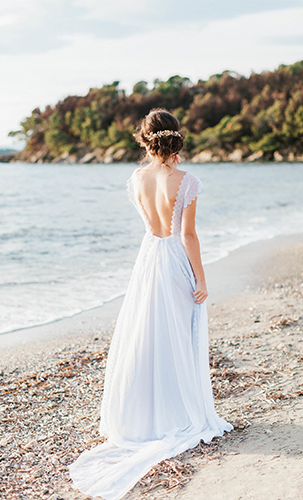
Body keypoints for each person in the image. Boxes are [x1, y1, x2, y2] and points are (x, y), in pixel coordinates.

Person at [69, 108, 233, 500]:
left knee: (147, 334)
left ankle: (141, 416)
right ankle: (177, 411)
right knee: (178, 334)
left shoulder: (135, 179)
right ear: (176, 139)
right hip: (176, 260)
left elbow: (152, 225)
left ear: (145, 139)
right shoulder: (187, 181)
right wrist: (202, 278)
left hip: (148, 261)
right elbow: (188, 236)